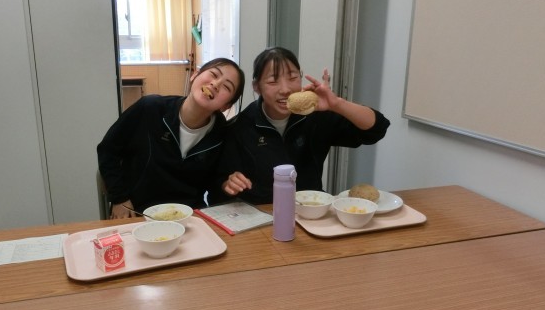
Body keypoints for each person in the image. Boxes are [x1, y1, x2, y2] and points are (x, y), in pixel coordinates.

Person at [215, 47, 390, 204]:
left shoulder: (315, 115)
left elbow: (376, 129)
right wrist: (227, 183)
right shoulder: (239, 127)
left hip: (311, 209)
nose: (285, 89)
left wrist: (337, 104)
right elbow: (218, 183)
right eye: (273, 81)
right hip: (262, 213)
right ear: (257, 87)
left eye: (293, 78)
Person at [97, 57, 245, 219]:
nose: (215, 84)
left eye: (226, 87)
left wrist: (225, 185)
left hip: (189, 217)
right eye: (214, 74)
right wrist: (120, 199)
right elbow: (108, 151)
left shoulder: (222, 134)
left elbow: (214, 187)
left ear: (226, 106)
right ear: (194, 75)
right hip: (138, 213)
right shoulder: (150, 109)